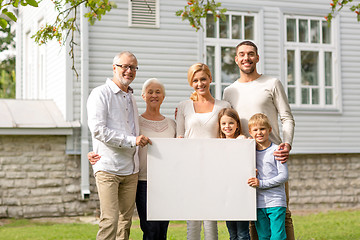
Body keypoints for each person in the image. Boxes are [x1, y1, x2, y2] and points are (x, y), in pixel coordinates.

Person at [223, 40, 295, 240]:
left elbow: (287, 117)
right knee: (251, 214)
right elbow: (226, 123)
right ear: (237, 60)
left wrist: (286, 144)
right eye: (242, 54)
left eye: (251, 54)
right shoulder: (230, 91)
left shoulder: (272, 83)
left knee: (282, 213)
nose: (247, 58)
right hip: (244, 160)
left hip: (272, 157)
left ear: (257, 58)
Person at [89, 78, 176, 240]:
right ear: (143, 96)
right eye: (150, 92)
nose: (154, 95)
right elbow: (116, 135)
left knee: (162, 230)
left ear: (164, 96)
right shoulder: (136, 123)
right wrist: (93, 151)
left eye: (158, 92)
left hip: (166, 182)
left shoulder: (172, 124)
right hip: (143, 179)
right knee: (149, 229)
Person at [87, 51, 152, 240]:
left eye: (133, 67)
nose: (129, 70)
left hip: (131, 170)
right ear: (114, 67)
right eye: (125, 66)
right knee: (109, 220)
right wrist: (132, 141)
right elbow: (98, 130)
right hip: (108, 168)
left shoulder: (131, 97)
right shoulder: (100, 93)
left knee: (125, 223)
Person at [176, 63, 231, 240]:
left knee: (210, 216)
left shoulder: (224, 105)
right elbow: (179, 138)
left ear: (210, 79)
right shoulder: (183, 106)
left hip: (215, 166)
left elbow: (228, 136)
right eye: (195, 80)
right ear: (191, 83)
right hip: (190, 167)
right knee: (192, 217)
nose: (200, 84)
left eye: (203, 79)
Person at [247, 113, 288, 240]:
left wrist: (261, 183)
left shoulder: (277, 150)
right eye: (255, 130)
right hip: (258, 203)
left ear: (269, 130)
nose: (259, 132)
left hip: (276, 201)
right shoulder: (249, 152)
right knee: (263, 236)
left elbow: (284, 176)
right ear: (250, 132)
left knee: (277, 236)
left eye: (262, 129)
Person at [217, 108, 250, 240]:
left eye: (231, 123)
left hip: (240, 191)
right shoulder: (219, 144)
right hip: (226, 193)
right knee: (233, 234)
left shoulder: (241, 139)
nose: (227, 126)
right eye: (223, 124)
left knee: (242, 233)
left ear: (237, 124)